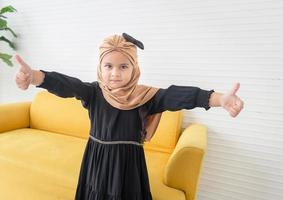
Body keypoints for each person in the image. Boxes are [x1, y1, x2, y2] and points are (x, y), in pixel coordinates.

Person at [14, 33, 244, 200]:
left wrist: (218, 99)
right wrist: (35, 76)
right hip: (97, 159)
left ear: (134, 68)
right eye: (109, 66)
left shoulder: (146, 96)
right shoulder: (94, 92)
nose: (115, 73)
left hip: (128, 163)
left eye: (124, 66)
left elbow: (179, 95)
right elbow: (68, 85)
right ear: (100, 67)